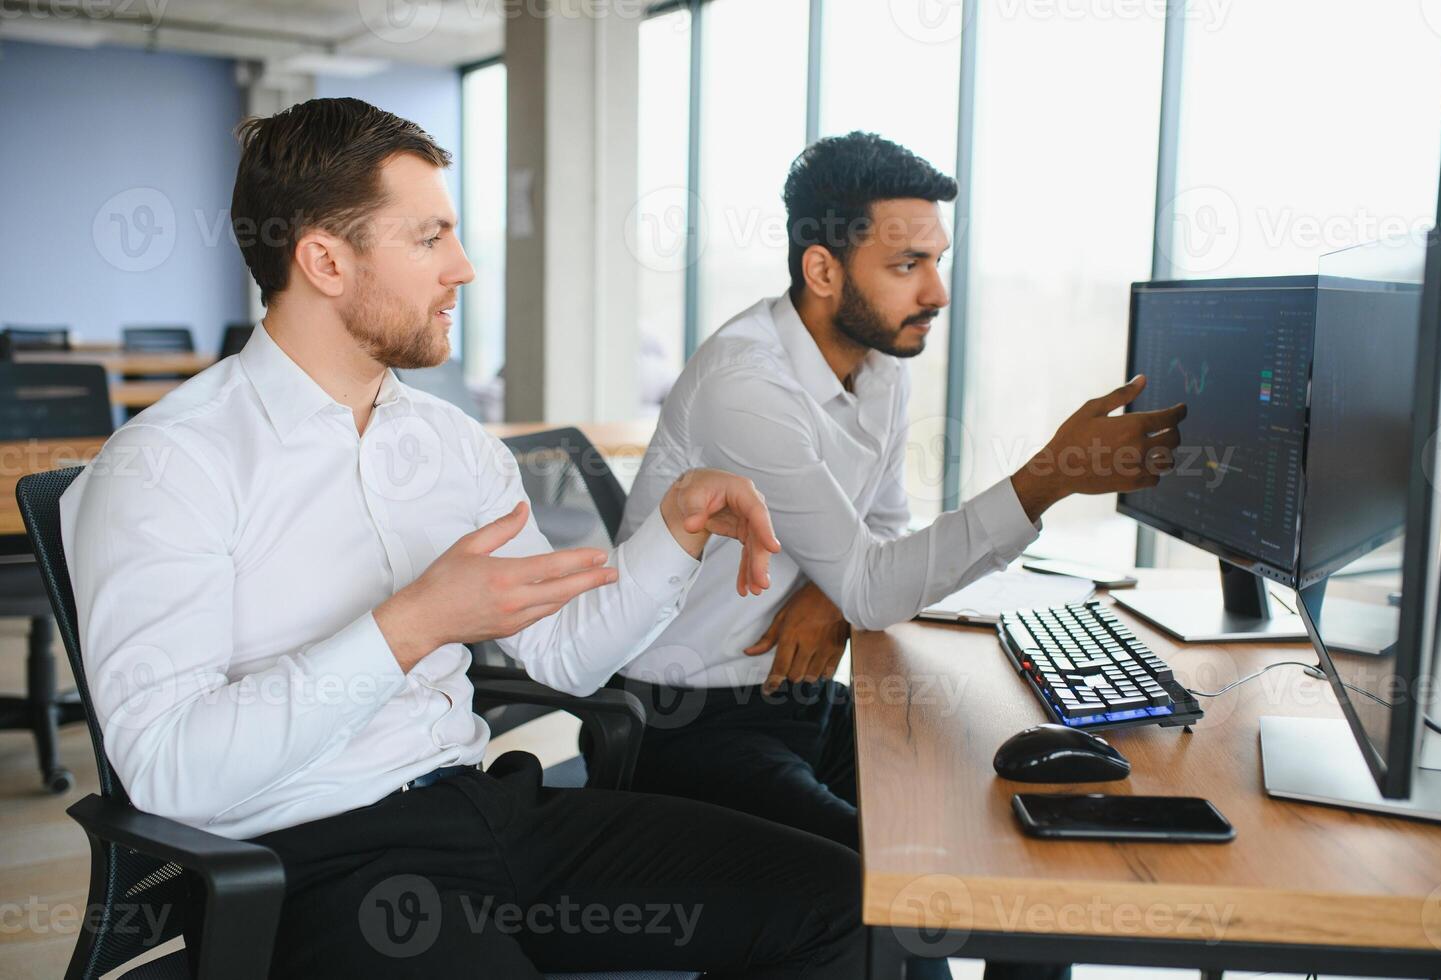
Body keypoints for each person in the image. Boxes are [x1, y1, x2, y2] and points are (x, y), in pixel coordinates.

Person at [62, 98, 865, 978]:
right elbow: (168, 774)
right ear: (325, 260)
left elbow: (564, 658)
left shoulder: (449, 445)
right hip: (317, 863)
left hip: (485, 813)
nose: (465, 268)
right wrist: (411, 625)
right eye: (429, 239)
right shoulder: (169, 466)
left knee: (848, 907)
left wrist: (673, 535)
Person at [611, 131, 1187, 980]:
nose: (937, 291)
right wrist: (1049, 477)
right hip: (691, 723)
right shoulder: (747, 384)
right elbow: (878, 579)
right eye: (907, 265)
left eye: (938, 260)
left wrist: (836, 593)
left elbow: (880, 539)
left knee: (1015, 834)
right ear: (822, 271)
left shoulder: (879, 368)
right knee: (907, 895)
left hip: (798, 699)